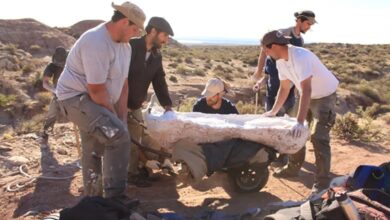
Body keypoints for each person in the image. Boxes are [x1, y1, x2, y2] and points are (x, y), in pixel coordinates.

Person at [55, 1, 146, 199]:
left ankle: (94, 199)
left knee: (97, 144)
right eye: (135, 29)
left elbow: (123, 85)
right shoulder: (96, 42)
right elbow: (96, 90)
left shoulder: (126, 47)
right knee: (118, 137)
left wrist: (121, 117)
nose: (137, 34)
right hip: (75, 98)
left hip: (96, 99)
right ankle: (115, 199)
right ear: (123, 22)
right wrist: (115, 121)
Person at [260, 30, 339, 194]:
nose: (265, 53)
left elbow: (307, 90)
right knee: (292, 131)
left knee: (319, 137)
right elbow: (284, 88)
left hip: (324, 96)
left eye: (265, 49)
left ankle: (323, 182)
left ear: (273, 46)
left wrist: (300, 121)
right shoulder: (280, 61)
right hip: (305, 96)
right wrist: (273, 112)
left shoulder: (301, 57)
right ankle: (293, 168)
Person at [252, 10, 317, 166]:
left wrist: (296, 87)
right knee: (273, 116)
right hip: (275, 81)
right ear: (299, 21)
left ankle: (286, 155)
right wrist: (260, 72)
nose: (309, 27)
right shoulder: (282, 34)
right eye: (308, 23)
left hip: (288, 84)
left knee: (289, 118)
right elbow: (265, 50)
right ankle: (271, 155)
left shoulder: (299, 40)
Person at [126, 17, 175, 187]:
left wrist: (167, 105)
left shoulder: (156, 55)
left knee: (136, 140)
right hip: (115, 104)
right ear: (153, 31)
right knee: (118, 140)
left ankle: (133, 172)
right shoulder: (130, 47)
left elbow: (159, 81)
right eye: (165, 36)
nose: (166, 40)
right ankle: (120, 176)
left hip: (135, 105)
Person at [41, 46, 68, 141]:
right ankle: (46, 132)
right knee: (52, 112)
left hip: (73, 91)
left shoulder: (72, 62)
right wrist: (55, 91)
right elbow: (45, 83)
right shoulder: (51, 66)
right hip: (58, 92)